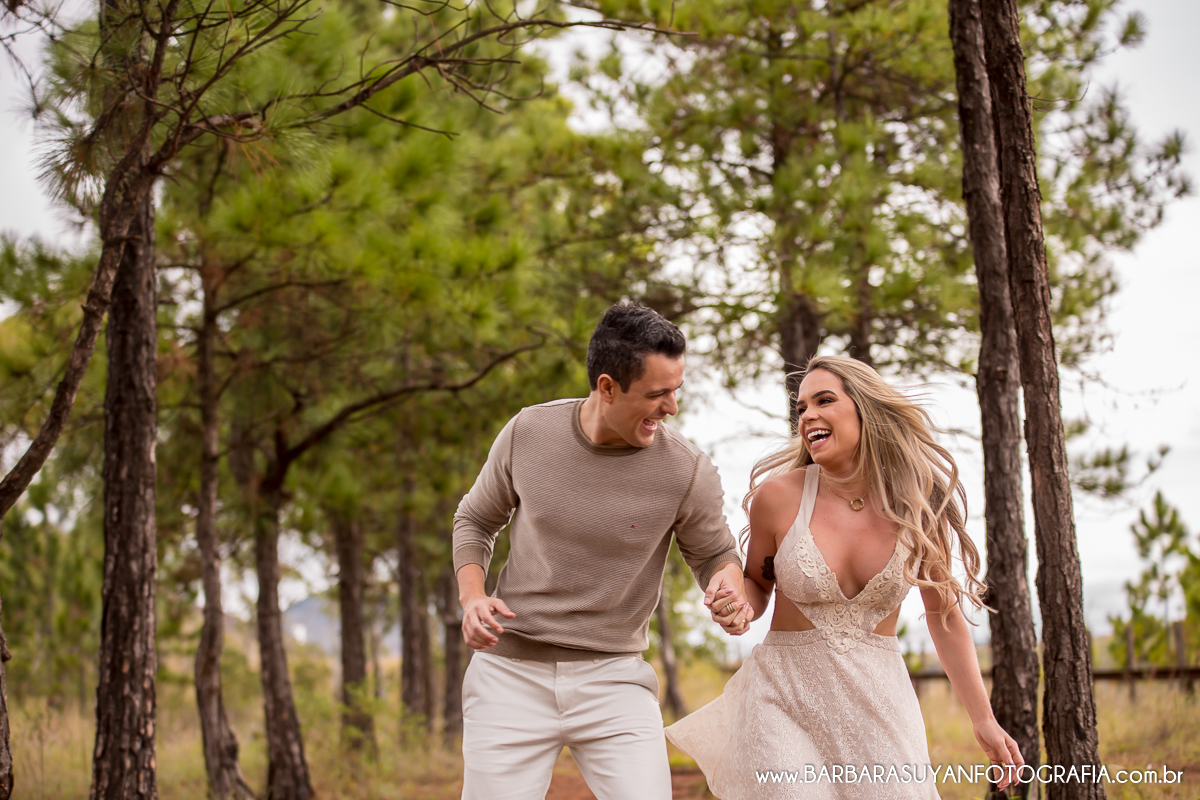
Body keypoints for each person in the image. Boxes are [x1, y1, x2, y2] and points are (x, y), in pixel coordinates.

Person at [665, 355, 1025, 799]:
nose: (808, 415)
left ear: (865, 409)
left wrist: (983, 719)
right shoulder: (777, 498)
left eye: (824, 400)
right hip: (782, 699)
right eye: (801, 408)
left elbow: (945, 617)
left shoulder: (917, 503)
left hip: (880, 705)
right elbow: (759, 586)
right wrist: (737, 605)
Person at [452, 302, 752, 800]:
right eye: (658, 393)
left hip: (614, 680)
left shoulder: (686, 469)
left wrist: (729, 586)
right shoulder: (528, 432)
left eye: (677, 390)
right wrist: (472, 597)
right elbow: (476, 519)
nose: (672, 407)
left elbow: (715, 553)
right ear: (607, 387)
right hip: (508, 676)